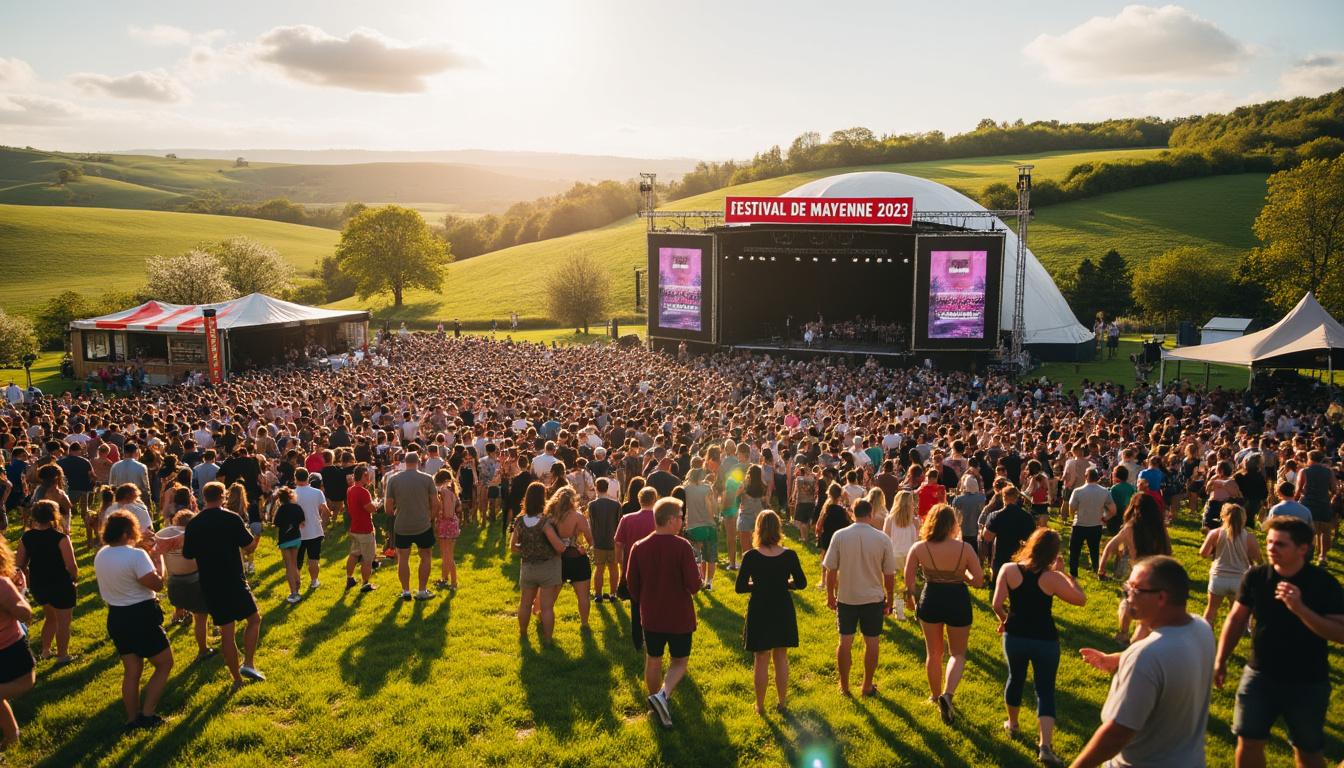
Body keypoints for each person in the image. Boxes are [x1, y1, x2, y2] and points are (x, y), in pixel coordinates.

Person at [1214, 516, 1344, 768]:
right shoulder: (1256, 577)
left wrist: (1300, 609)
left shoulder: (1323, 584)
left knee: (1307, 750)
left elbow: (1340, 633)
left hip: (1307, 681)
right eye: (1270, 542)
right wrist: (1220, 659)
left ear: (1303, 549)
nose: (1271, 548)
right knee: (1248, 741)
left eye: (1280, 544)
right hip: (1259, 675)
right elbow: (1236, 619)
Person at [1074, 556, 1214, 768]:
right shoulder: (1201, 628)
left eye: (1135, 589)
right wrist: (1117, 659)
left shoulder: (1146, 657)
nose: (1127, 596)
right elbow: (1170, 662)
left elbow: (1117, 734)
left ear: (1161, 598)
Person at [990, 528, 1086, 767]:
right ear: (1053, 553)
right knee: (1045, 690)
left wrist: (1004, 620)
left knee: (1015, 678)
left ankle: (1012, 724)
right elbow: (1080, 599)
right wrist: (1066, 575)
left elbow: (996, 603)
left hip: (1016, 636)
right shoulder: (1051, 577)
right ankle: (1045, 746)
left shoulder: (1009, 569)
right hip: (1045, 638)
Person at [904, 503, 983, 722]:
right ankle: (947, 694)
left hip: (931, 599)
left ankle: (934, 695)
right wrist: (963, 575)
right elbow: (979, 581)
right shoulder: (964, 548)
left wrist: (910, 600)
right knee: (957, 653)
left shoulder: (919, 547)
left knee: (934, 653)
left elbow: (908, 580)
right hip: (957, 598)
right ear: (953, 524)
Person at [627, 497, 702, 728]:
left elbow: (631, 584)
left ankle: (655, 704)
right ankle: (663, 695)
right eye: (680, 517)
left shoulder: (639, 547)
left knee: (653, 659)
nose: (682, 521)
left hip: (651, 615)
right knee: (679, 661)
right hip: (679, 615)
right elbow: (694, 585)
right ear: (670, 520)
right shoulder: (682, 547)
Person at [182, 482, 265, 689]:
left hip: (210, 582)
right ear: (223, 496)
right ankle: (249, 663)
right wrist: (258, 536)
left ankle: (236, 679)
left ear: (204, 497)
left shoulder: (194, 523)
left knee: (227, 633)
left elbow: (188, 554)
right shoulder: (231, 518)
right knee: (254, 619)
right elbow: (248, 548)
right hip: (233, 579)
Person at [94, 511, 173, 730]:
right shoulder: (136, 556)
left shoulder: (102, 554)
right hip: (141, 616)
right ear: (129, 531)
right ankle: (147, 714)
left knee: (132, 670)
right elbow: (157, 584)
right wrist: (158, 557)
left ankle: (132, 719)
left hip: (116, 616)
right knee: (165, 662)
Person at [824, 498, 897, 699]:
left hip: (847, 597)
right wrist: (889, 599)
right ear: (871, 514)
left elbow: (831, 569)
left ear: (852, 513)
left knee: (844, 642)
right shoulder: (882, 539)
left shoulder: (840, 535)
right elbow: (889, 574)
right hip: (873, 598)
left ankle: (845, 686)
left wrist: (830, 595)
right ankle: (866, 685)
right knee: (872, 643)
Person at [736, 510, 806, 714]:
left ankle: (759, 705)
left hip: (759, 607)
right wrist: (786, 584)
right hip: (782, 606)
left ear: (758, 529)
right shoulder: (790, 555)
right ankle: (782, 702)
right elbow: (801, 582)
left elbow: (740, 587)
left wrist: (759, 585)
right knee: (781, 657)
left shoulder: (750, 556)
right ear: (778, 529)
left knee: (761, 657)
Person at [1098, 494, 1173, 645]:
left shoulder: (1129, 528)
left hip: (1139, 574)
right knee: (1149, 610)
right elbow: (1169, 550)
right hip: (1158, 573)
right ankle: (1144, 639)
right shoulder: (1160, 527)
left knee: (1128, 603)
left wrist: (1101, 568)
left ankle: (1124, 634)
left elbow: (1110, 547)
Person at [16, 500, 77, 664]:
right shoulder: (61, 538)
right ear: (54, 516)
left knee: (50, 618)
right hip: (60, 584)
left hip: (39, 584)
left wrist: (27, 578)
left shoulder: (26, 537)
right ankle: (62, 655)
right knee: (63, 622)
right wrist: (73, 579)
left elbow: (19, 565)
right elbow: (71, 566)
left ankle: (45, 650)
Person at [154, 508, 213, 659]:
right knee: (200, 617)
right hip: (194, 582)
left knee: (186, 604)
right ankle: (203, 650)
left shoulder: (164, 536)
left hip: (173, 584)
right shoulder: (196, 536)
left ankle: (180, 614)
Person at [511, 482, 564, 642]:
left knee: (525, 604)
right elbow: (559, 547)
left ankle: (523, 633)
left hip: (527, 567)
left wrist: (527, 550)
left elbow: (513, 547)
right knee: (547, 607)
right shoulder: (545, 522)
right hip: (547, 567)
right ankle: (547, 639)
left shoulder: (519, 521)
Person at [384, 452, 440, 601]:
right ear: (419, 462)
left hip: (402, 524)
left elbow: (388, 507)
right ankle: (422, 591)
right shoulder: (427, 479)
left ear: (405, 462)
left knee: (403, 558)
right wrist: (430, 518)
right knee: (426, 555)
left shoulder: (394, 479)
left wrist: (395, 514)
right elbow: (436, 503)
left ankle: (406, 591)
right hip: (422, 523)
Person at [1199, 502, 1260, 627]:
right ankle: (1233, 637)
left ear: (1223, 516)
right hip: (1239, 579)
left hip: (1218, 577)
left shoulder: (1215, 533)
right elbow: (1258, 559)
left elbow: (1203, 553)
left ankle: (1205, 634)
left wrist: (1214, 551)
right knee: (1235, 614)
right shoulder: (1249, 537)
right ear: (1244, 518)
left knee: (1211, 610)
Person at [615, 486, 659, 651]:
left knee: (635, 605)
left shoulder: (627, 519)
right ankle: (652, 637)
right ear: (655, 499)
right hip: (655, 569)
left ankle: (637, 640)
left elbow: (618, 544)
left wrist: (620, 565)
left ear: (639, 500)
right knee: (654, 604)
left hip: (632, 568)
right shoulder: (659, 518)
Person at [0, 536, 34, 745]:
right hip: (11, 646)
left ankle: (12, 734)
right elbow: (25, 613)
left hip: (8, 647)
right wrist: (20, 596)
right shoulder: (2, 585)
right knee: (25, 682)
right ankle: (12, 735)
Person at [551, 486, 594, 628]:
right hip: (577, 558)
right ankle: (584, 623)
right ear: (573, 500)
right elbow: (590, 540)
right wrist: (585, 549)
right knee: (583, 596)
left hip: (558, 559)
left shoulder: (551, 517)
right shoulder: (578, 517)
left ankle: (542, 616)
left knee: (551, 596)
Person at [1068, 468, 1116, 578]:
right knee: (1094, 550)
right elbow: (1113, 510)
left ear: (1086, 477)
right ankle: (1096, 570)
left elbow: (1071, 507)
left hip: (1079, 524)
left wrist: (1072, 517)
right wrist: (1104, 518)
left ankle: (1073, 573)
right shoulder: (1104, 491)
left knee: (1075, 551)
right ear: (1097, 478)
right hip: (1096, 525)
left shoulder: (1078, 491)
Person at [983, 486, 1034, 588]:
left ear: (1003, 497)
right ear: (1017, 498)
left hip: (1000, 555)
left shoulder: (995, 515)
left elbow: (987, 537)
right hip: (1020, 556)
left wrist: (982, 530)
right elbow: (1032, 539)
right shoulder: (1027, 517)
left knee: (997, 585)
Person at [882, 489, 920, 620]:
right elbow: (917, 539)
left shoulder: (890, 519)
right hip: (910, 555)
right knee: (910, 583)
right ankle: (912, 607)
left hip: (895, 554)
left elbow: (885, 538)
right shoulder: (914, 520)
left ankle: (900, 611)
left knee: (898, 584)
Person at [1296, 450, 1336, 565]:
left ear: (1309, 458)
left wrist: (1294, 499)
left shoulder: (1304, 471)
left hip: (1307, 504)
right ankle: (1323, 557)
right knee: (1325, 531)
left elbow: (1298, 489)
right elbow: (1334, 489)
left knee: (1307, 530)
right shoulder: (1329, 472)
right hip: (1324, 503)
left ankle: (1305, 554)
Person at [682, 468, 720, 590]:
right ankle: (709, 582)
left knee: (696, 557)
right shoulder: (707, 489)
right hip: (709, 525)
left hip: (692, 526)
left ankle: (699, 579)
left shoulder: (685, 490)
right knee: (711, 556)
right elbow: (713, 507)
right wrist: (713, 518)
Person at [292, 468, 329, 592]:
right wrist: (323, 524)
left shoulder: (292, 493)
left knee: (297, 562)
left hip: (297, 533)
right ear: (308, 478)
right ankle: (314, 581)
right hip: (315, 530)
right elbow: (326, 510)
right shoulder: (317, 492)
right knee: (314, 559)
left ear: (295, 478)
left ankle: (296, 587)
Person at [344, 464, 378, 593]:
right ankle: (365, 583)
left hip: (355, 527)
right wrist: (376, 504)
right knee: (367, 559)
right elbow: (371, 509)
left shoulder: (350, 489)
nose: (369, 477)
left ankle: (350, 578)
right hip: (365, 528)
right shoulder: (363, 492)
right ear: (362, 476)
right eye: (367, 475)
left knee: (354, 554)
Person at [587, 478, 622, 603]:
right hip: (613, 542)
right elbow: (619, 524)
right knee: (613, 568)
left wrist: (591, 542)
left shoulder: (592, 505)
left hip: (598, 541)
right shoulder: (616, 504)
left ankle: (598, 594)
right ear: (607, 488)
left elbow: (591, 524)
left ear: (596, 488)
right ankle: (613, 593)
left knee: (599, 569)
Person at [272, 488, 305, 603]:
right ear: (291, 496)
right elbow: (302, 523)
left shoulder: (280, 509)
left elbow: (276, 525)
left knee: (289, 566)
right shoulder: (297, 507)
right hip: (296, 538)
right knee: (294, 564)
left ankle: (293, 593)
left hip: (284, 540)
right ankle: (297, 586)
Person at [433, 468, 461, 592]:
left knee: (448, 555)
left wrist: (438, 511)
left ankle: (454, 582)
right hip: (447, 525)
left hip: (447, 525)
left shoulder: (445, 493)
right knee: (445, 554)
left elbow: (448, 513)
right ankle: (444, 578)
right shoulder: (449, 492)